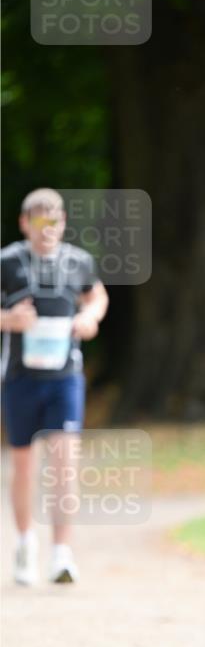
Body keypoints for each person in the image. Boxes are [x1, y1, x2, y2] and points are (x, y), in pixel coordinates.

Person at [1, 188, 108, 585]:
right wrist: (7, 319)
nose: (48, 229)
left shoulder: (77, 261)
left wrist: (90, 318)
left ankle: (62, 553)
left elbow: (97, 296)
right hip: (19, 378)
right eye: (40, 221)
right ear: (25, 223)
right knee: (24, 465)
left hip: (65, 378)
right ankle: (26, 543)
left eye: (55, 221)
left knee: (64, 463)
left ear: (63, 222)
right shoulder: (7, 261)